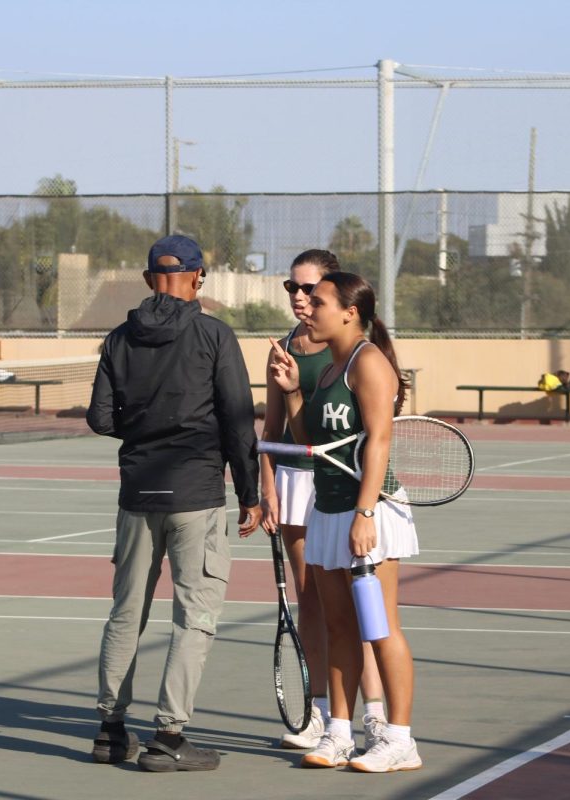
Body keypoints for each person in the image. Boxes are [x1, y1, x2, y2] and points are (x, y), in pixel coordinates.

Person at [86, 234, 262, 772]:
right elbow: (237, 420)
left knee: (125, 612)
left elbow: (100, 418)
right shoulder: (214, 334)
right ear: (199, 277)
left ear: (147, 279)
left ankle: (110, 731)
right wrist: (250, 494)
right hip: (196, 494)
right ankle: (168, 736)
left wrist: (142, 431)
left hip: (138, 493)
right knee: (195, 617)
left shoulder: (119, 339)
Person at [269, 272, 422, 774]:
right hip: (328, 509)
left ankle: (399, 738)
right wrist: (293, 392)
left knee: (380, 629)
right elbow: (310, 442)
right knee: (338, 628)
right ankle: (338, 732)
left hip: (368, 513)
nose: (307, 308)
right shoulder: (331, 368)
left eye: (318, 301)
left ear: (349, 312)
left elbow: (379, 441)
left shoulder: (369, 362)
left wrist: (366, 512)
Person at [259, 250, 388, 752]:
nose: (299, 299)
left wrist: (366, 507)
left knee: (360, 608)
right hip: (298, 485)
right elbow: (278, 428)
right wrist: (265, 487)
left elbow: (375, 432)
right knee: (314, 598)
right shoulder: (286, 346)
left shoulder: (357, 352)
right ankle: (322, 715)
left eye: (309, 291)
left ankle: (376, 717)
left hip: (345, 486)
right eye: (292, 289)